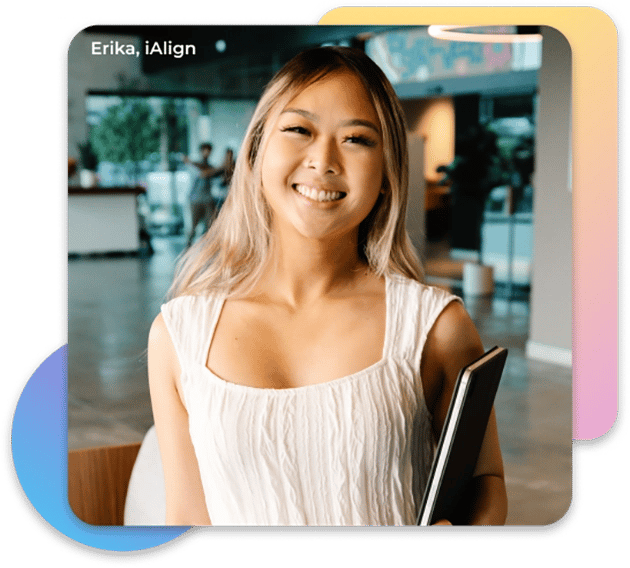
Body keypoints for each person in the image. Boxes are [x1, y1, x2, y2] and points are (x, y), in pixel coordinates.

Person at [148, 46, 507, 526]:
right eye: (299, 129)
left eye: (357, 139)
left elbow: (485, 482)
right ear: (255, 152)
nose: (323, 160)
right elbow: (186, 519)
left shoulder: (436, 326)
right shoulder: (178, 334)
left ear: (386, 175)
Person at [182, 143, 224, 247]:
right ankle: (188, 247)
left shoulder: (209, 166)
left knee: (211, 224)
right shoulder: (194, 166)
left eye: (209, 150)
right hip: (195, 200)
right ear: (200, 151)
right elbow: (204, 173)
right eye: (205, 150)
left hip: (208, 199)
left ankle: (208, 246)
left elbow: (218, 178)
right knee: (193, 225)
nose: (207, 152)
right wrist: (221, 167)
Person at [211, 147, 235, 213]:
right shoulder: (220, 167)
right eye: (228, 155)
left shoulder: (235, 167)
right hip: (219, 195)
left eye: (230, 155)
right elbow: (213, 177)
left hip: (229, 195)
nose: (229, 157)